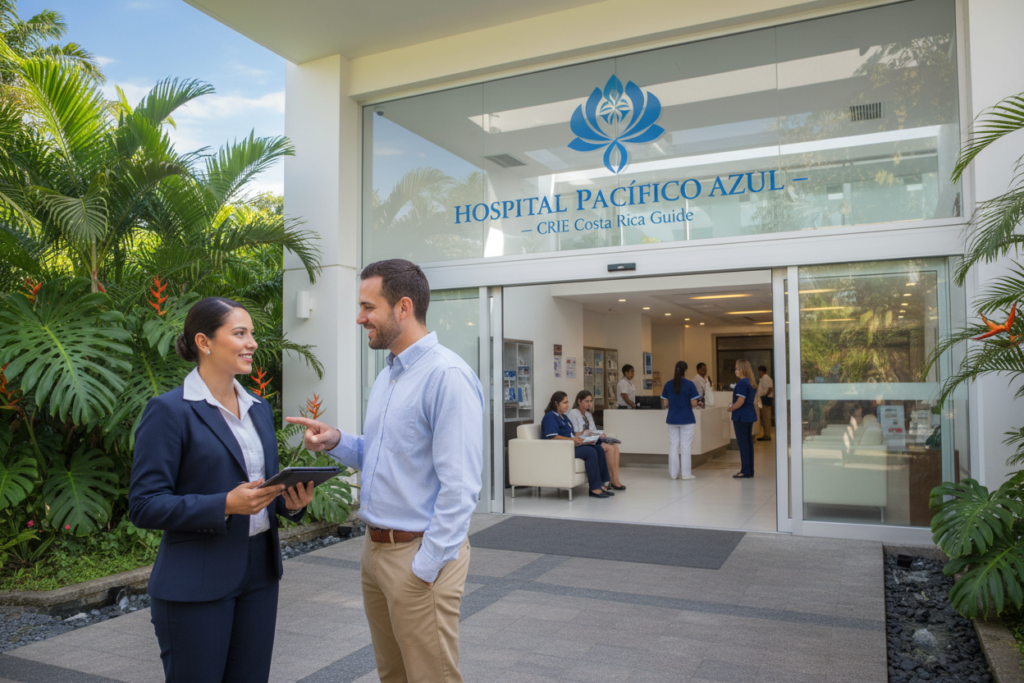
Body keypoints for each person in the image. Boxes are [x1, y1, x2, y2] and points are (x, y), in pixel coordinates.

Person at [285, 259, 482, 683]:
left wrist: (426, 566)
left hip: (418, 556)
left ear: (403, 308)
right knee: (392, 674)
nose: (360, 318)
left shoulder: (446, 376)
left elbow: (461, 486)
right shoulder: (389, 375)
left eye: (368, 307)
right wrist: (336, 440)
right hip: (375, 554)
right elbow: (382, 455)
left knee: (432, 677)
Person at [129, 297, 314, 683]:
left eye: (252, 334)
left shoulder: (259, 408)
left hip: (259, 576)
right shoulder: (169, 411)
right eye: (240, 333)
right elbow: (145, 505)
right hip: (195, 581)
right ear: (204, 341)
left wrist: (292, 503)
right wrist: (225, 504)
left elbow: (265, 490)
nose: (252, 343)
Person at [543, 391, 613, 498]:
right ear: (556, 403)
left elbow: (570, 433)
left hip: (571, 445)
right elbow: (553, 436)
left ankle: (602, 484)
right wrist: (572, 440)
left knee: (598, 448)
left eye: (568, 402)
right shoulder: (550, 417)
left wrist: (580, 435)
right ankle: (594, 488)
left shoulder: (564, 417)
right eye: (564, 403)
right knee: (590, 452)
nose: (567, 405)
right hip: (562, 449)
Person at [569, 390, 625, 490]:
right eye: (586, 401)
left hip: (591, 440)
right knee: (609, 448)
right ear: (579, 401)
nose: (589, 404)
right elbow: (577, 433)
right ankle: (609, 480)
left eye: (591, 401)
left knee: (615, 447)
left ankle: (615, 479)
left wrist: (599, 434)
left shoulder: (589, 415)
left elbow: (593, 430)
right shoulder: (573, 413)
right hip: (582, 442)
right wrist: (590, 434)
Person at [661, 361, 701, 480]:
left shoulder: (668, 384)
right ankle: (686, 473)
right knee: (685, 446)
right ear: (686, 371)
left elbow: (665, 403)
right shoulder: (689, 384)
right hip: (687, 418)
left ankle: (673, 474)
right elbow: (694, 403)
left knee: (673, 445)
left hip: (672, 418)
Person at [727, 359, 759, 479]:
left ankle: (745, 470)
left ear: (741, 369)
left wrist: (730, 408)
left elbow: (740, 402)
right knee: (748, 443)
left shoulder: (741, 383)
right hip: (749, 415)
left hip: (741, 416)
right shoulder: (750, 382)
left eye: (736, 368)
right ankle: (749, 469)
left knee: (743, 444)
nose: (735, 371)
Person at [756, 365, 774, 441]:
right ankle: (765, 434)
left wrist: (765, 396)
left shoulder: (766, 378)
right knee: (764, 417)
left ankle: (767, 435)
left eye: (759, 372)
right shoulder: (763, 379)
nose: (759, 373)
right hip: (763, 398)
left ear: (762, 371)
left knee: (766, 417)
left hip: (765, 399)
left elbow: (769, 388)